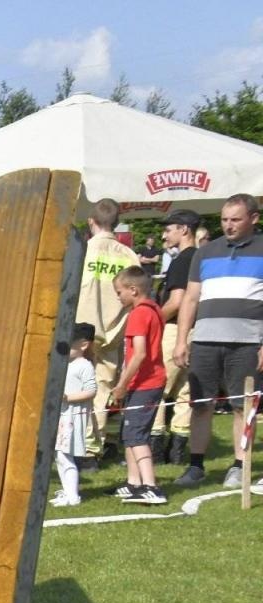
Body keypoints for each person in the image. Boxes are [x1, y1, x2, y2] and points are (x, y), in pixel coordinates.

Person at [171, 193, 263, 489]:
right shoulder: (205, 252)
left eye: (235, 219)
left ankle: (239, 465)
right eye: (224, 220)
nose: (228, 225)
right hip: (206, 341)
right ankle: (195, 465)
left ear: (253, 218)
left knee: (241, 405)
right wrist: (181, 340)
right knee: (200, 404)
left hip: (248, 342)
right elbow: (190, 298)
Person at [76, 199, 142, 466]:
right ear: (116, 223)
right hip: (115, 329)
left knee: (77, 387)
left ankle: (80, 445)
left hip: (80, 328)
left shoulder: (83, 250)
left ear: (91, 221)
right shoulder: (128, 255)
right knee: (102, 389)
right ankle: (95, 446)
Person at [108, 266, 167, 505]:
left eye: (119, 292)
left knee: (137, 435)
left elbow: (140, 354)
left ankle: (150, 486)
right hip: (143, 382)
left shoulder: (139, 314)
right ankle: (134, 483)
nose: (118, 297)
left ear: (133, 290)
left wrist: (121, 385)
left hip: (145, 383)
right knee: (129, 433)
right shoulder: (154, 310)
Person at [150, 209, 199, 466]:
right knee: (184, 393)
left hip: (174, 329)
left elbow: (177, 301)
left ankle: (155, 449)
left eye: (169, 229)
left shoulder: (183, 260)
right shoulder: (201, 257)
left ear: (184, 229)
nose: (164, 235)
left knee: (157, 388)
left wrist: (152, 319)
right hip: (195, 329)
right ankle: (178, 451)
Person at [53, 323, 97, 507]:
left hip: (72, 418)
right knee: (59, 455)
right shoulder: (67, 364)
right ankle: (67, 491)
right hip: (62, 417)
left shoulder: (84, 365)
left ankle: (72, 496)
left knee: (65, 455)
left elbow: (91, 390)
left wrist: (68, 397)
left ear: (83, 345)